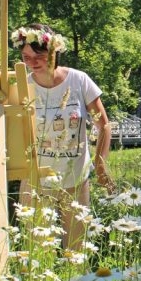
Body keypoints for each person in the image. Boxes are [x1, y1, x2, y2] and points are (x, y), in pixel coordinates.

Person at [12, 23, 113, 251]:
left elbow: (104, 125)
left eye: (38, 56)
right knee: (36, 252)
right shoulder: (21, 86)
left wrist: (100, 166)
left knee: (76, 251)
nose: (32, 63)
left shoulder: (79, 81)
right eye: (26, 57)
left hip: (75, 179)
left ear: (54, 51)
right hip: (35, 178)